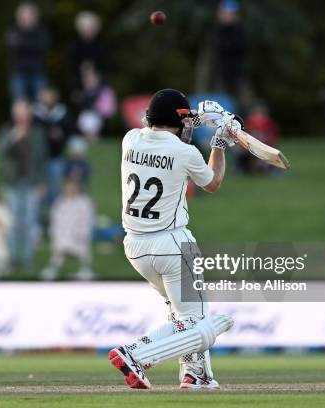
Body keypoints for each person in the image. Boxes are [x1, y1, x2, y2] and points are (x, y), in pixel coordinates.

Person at [108, 90, 235, 389]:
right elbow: (213, 182)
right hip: (173, 244)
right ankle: (135, 354)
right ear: (177, 122)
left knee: (180, 313)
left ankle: (195, 374)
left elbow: (161, 131)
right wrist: (219, 141)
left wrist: (192, 118)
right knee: (198, 322)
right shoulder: (185, 153)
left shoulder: (130, 140)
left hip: (136, 247)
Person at [0, 100, 47, 270]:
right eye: (18, 112)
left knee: (29, 222)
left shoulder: (37, 132)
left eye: (24, 111)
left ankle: (27, 259)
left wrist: (42, 183)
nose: (21, 115)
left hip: (31, 183)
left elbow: (42, 159)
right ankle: (11, 259)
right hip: (12, 183)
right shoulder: (7, 131)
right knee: (11, 223)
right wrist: (13, 137)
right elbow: (3, 152)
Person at [41, 177, 95, 281]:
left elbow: (87, 219)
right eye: (67, 188)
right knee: (59, 247)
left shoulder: (84, 202)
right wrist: (54, 232)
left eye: (72, 188)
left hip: (78, 234)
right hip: (62, 233)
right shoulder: (60, 202)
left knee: (82, 248)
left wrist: (81, 232)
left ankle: (85, 268)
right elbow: (55, 219)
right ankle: (53, 268)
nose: (69, 190)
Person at [34, 87, 73, 205]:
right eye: (46, 96)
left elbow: (70, 131)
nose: (48, 99)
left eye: (50, 96)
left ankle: (55, 215)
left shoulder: (62, 112)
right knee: (39, 190)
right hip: (39, 158)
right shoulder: (35, 113)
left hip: (56, 156)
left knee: (55, 187)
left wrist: (61, 134)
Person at [6, 2, 49, 101]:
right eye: (24, 14)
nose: (27, 18)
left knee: (40, 107)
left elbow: (41, 47)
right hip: (18, 74)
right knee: (20, 106)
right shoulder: (13, 31)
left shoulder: (42, 31)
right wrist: (29, 44)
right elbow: (14, 48)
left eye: (29, 14)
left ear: (35, 16)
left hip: (38, 73)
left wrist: (23, 43)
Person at [212, 0, 248, 111]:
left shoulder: (239, 30)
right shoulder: (218, 30)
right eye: (225, 13)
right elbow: (219, 48)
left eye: (230, 14)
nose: (228, 16)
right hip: (221, 73)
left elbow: (240, 48)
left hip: (237, 73)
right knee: (220, 102)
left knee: (242, 102)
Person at [73, 64, 116, 141]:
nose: (90, 81)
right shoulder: (81, 92)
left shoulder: (103, 91)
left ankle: (93, 138)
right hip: (85, 116)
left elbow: (108, 109)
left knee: (92, 120)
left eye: (92, 79)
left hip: (98, 116)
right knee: (86, 118)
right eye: (88, 80)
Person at [69, 11, 105, 87]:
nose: (88, 30)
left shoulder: (101, 46)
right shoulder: (74, 46)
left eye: (90, 27)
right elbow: (72, 70)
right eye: (85, 27)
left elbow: (105, 68)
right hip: (79, 84)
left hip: (99, 83)